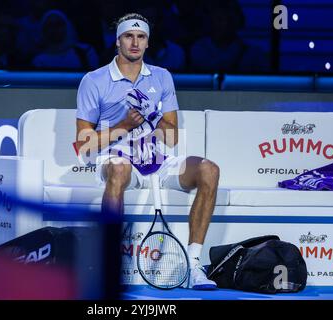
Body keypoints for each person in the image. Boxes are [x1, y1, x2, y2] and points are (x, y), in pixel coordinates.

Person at [75, 13, 219, 290]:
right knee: (118, 168)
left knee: (208, 169)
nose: (135, 43)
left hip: (155, 160)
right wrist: (124, 124)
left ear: (148, 43)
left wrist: (152, 115)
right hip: (116, 159)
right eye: (129, 36)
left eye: (141, 37)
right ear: (118, 41)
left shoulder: (162, 77)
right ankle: (109, 263)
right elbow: (85, 144)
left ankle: (193, 265)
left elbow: (172, 138)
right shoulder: (94, 80)